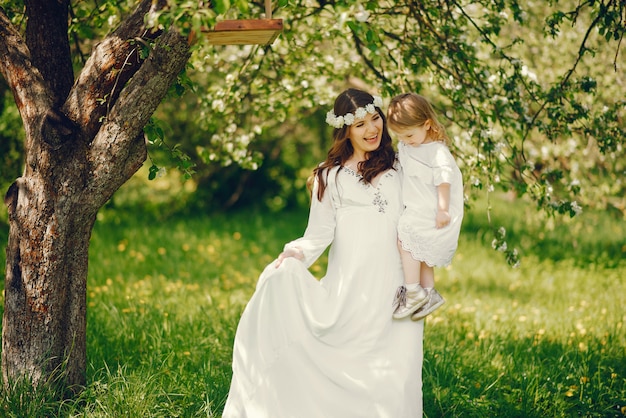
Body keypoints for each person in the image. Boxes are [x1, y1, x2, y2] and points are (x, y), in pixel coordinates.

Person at [222, 88, 424, 417]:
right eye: (360, 125)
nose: (372, 130)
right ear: (345, 130)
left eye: (375, 119)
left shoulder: (402, 166)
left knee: (397, 375)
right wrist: (292, 256)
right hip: (351, 292)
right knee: (349, 368)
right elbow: (317, 234)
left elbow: (422, 220)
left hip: (397, 288)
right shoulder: (327, 177)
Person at [386, 92, 464, 321]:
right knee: (419, 251)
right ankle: (429, 292)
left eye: (409, 134)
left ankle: (413, 292)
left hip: (430, 209)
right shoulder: (410, 144)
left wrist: (442, 209)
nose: (405, 140)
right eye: (399, 135)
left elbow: (444, 179)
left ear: (427, 124)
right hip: (417, 205)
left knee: (406, 239)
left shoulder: (436, 151)